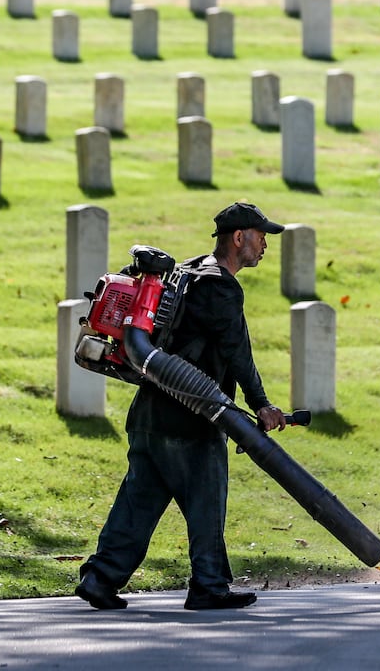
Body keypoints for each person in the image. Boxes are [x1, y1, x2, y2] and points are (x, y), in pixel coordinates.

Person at [75, 202, 288, 611]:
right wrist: (261, 404)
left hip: (150, 414)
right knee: (206, 498)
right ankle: (209, 585)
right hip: (192, 419)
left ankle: (101, 579)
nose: (265, 244)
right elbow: (237, 352)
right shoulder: (221, 287)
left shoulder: (186, 273)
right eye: (261, 236)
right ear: (239, 237)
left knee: (139, 500)